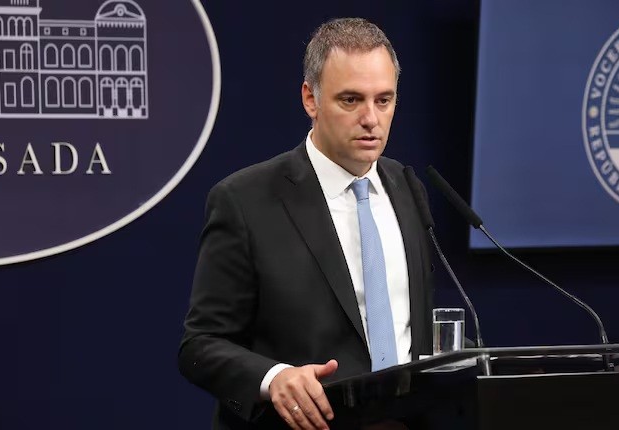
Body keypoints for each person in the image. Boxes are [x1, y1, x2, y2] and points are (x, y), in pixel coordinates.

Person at [178, 17, 434, 430]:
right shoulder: (245, 200)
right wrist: (274, 378)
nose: (371, 118)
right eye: (351, 100)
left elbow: (412, 331)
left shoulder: (406, 186)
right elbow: (200, 346)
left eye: (384, 100)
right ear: (310, 99)